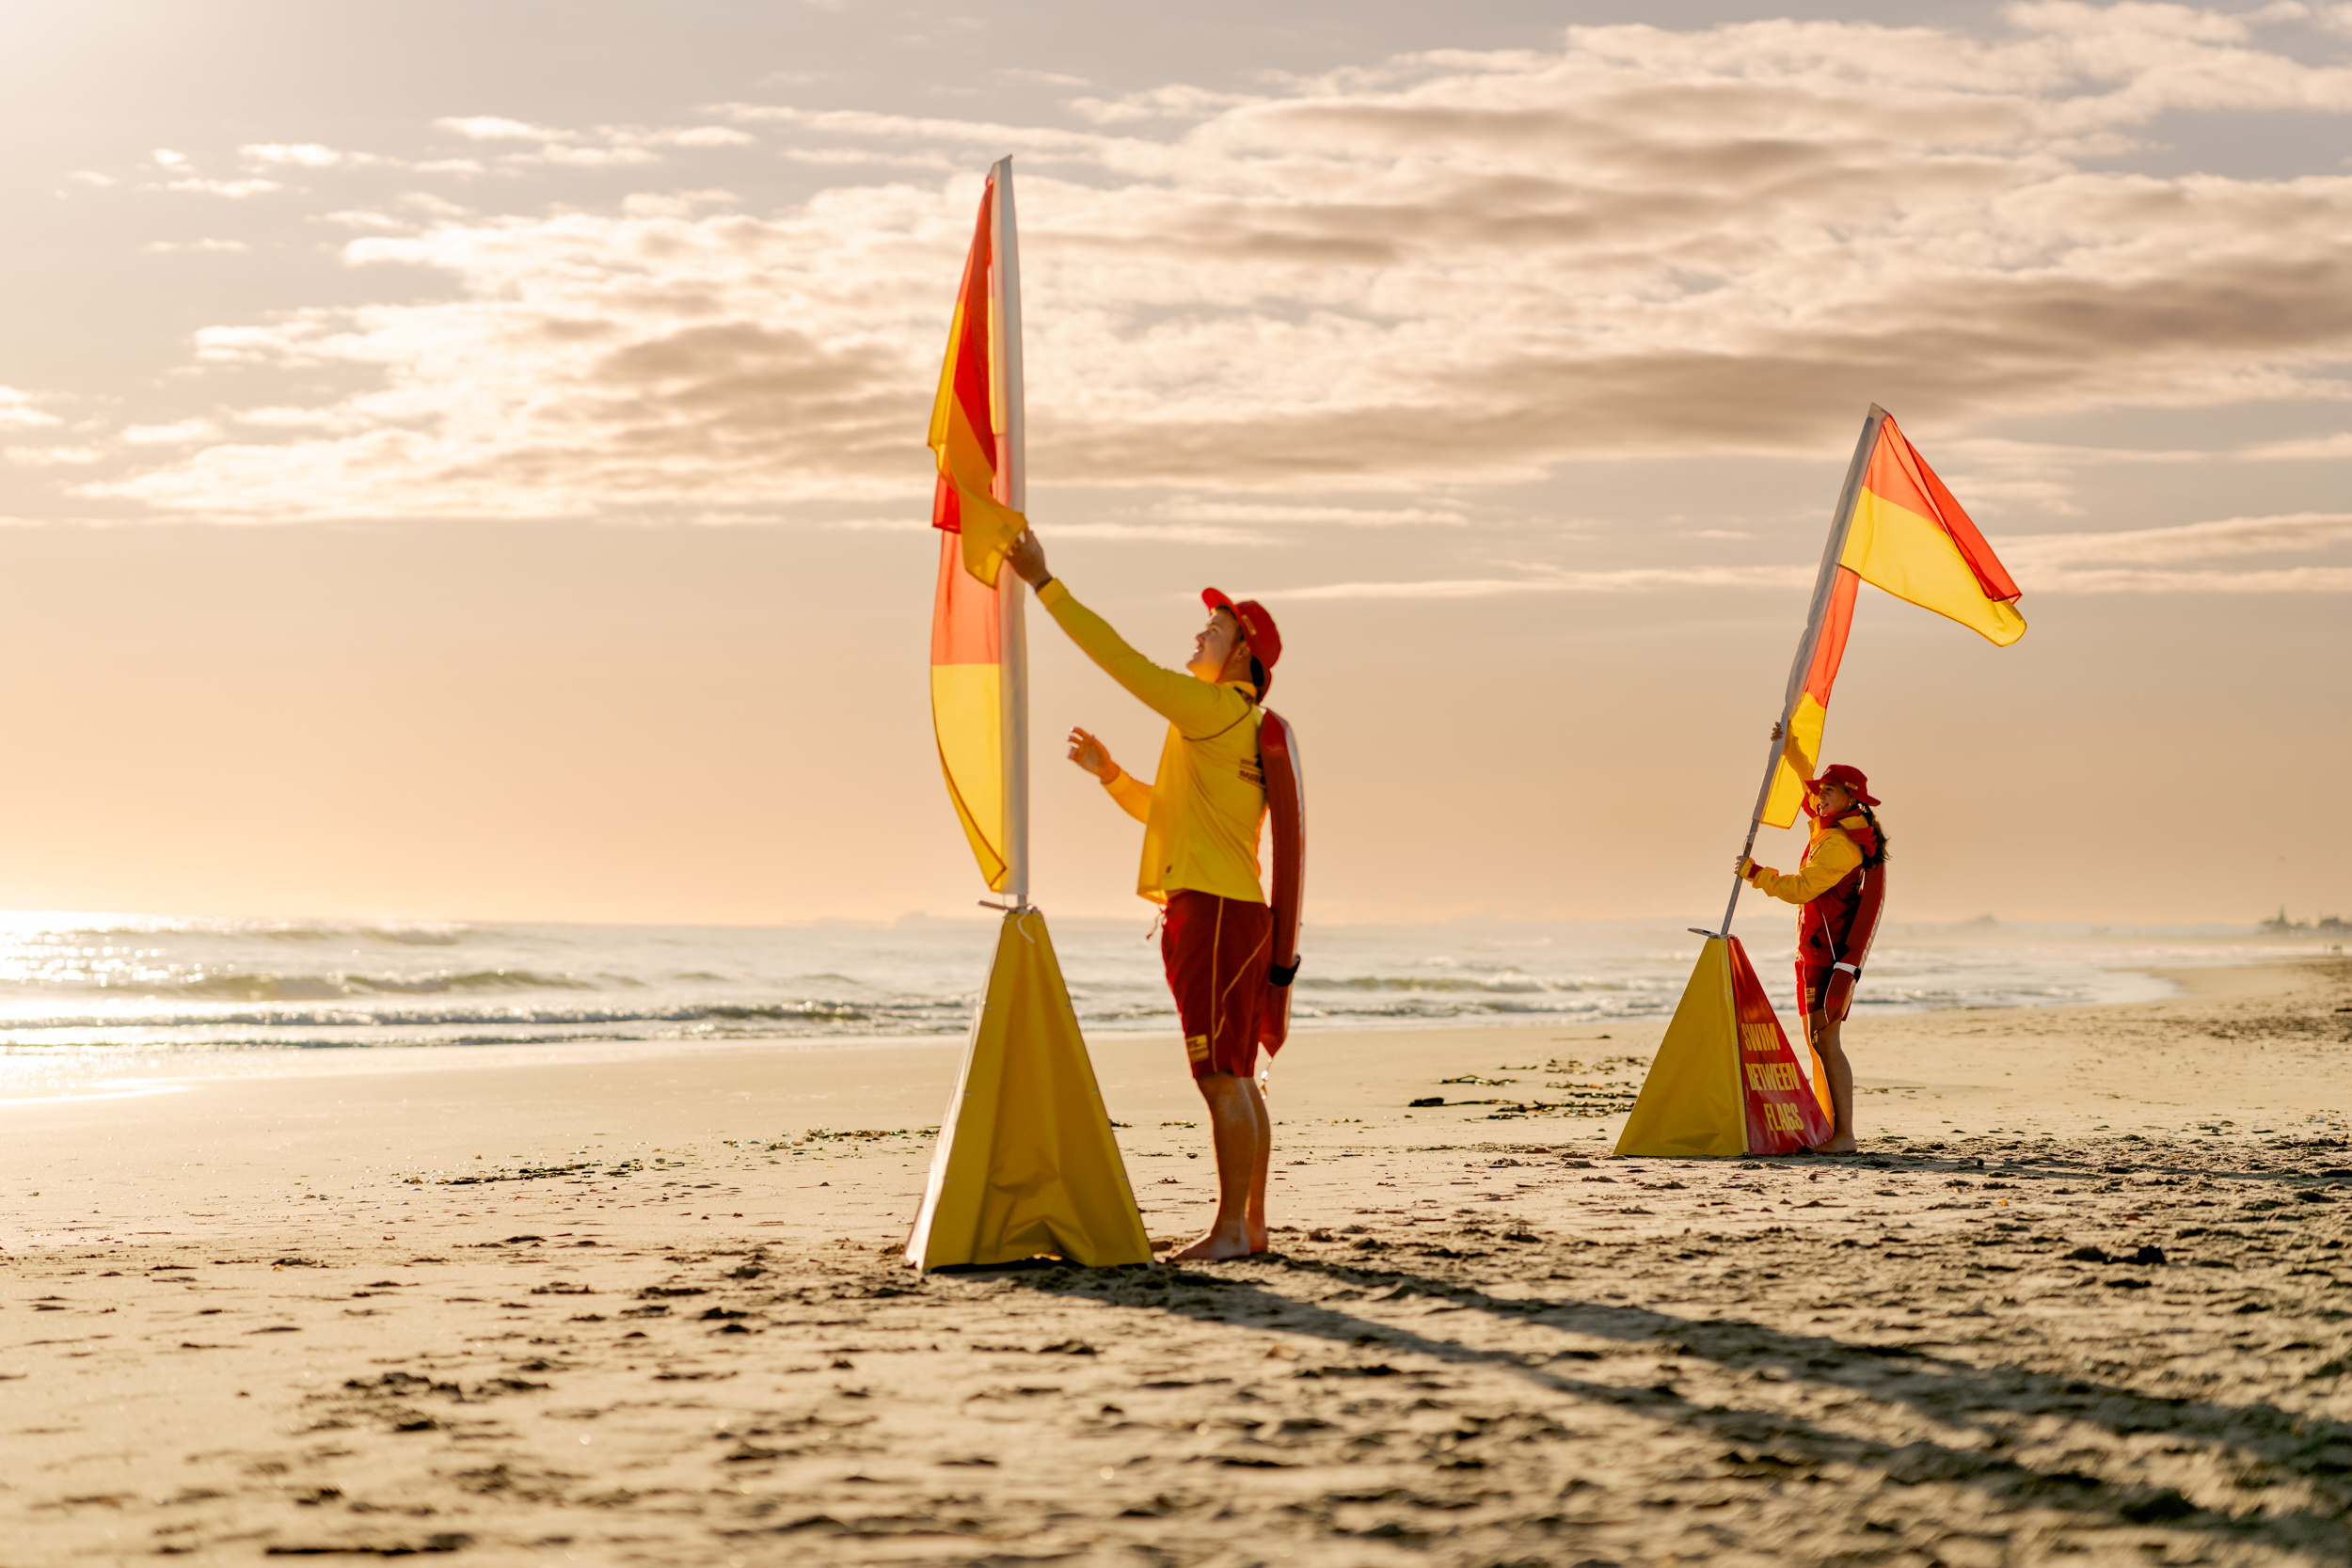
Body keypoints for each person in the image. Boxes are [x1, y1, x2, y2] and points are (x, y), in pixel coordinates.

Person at [1004, 526, 1282, 1261]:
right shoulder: (1229, 726)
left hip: (1216, 910)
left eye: (1216, 627)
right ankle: (1248, 1225)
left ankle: (1230, 1230)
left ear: (1244, 654)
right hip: (1230, 908)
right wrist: (1112, 775)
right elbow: (1173, 812)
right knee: (1237, 1076)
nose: (1200, 631)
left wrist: (1044, 581)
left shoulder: (1214, 706)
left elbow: (1120, 660)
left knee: (1221, 1077)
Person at [1738, 762, 1886, 1155]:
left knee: (1827, 1041)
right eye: (1821, 791)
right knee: (1817, 1041)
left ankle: (1844, 1135)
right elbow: (1805, 792)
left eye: (1830, 791)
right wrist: (1786, 742)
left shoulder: (1839, 845)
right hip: (1813, 951)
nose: (1819, 797)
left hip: (1828, 956)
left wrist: (1756, 874)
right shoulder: (1830, 831)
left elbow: (1802, 889)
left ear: (1851, 798)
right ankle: (1830, 1126)